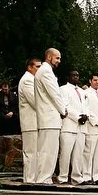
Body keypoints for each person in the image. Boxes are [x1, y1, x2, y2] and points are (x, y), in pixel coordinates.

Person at [33, 48, 68, 185]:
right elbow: (54, 94)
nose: (59, 61)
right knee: (49, 151)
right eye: (57, 58)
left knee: (49, 151)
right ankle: (44, 179)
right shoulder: (46, 71)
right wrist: (63, 110)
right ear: (48, 57)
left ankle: (44, 178)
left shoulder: (45, 71)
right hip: (49, 117)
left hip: (48, 118)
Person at [57, 69, 86, 184]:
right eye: (73, 75)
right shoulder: (63, 89)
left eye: (77, 75)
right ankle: (63, 177)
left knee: (79, 154)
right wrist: (78, 117)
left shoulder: (82, 91)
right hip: (69, 125)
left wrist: (86, 115)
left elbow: (86, 106)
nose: (76, 77)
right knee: (66, 153)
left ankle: (77, 177)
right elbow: (65, 105)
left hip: (82, 127)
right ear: (68, 77)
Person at [17, 57, 41, 184]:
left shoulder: (34, 80)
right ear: (29, 67)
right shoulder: (27, 80)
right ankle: (29, 180)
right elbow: (35, 101)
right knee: (31, 152)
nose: (40, 69)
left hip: (36, 122)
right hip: (30, 122)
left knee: (36, 152)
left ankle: (34, 179)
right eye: (37, 66)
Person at [80, 73, 98, 183]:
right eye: (95, 80)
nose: (97, 82)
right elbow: (86, 109)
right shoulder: (86, 93)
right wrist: (97, 122)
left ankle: (96, 175)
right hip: (92, 125)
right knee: (88, 152)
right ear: (90, 81)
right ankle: (86, 175)